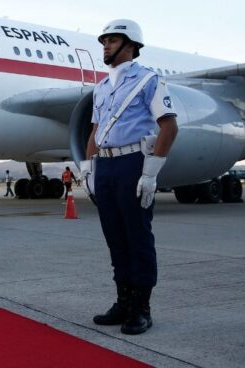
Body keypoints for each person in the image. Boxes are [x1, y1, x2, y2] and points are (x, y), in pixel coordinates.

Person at [80, 19, 178, 336]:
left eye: (111, 40)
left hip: (133, 163)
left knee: (138, 238)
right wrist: (87, 165)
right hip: (106, 166)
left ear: (130, 45)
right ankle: (123, 302)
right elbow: (95, 131)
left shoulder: (149, 81)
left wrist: (151, 173)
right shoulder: (101, 88)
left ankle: (142, 308)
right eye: (103, 41)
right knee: (115, 239)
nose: (105, 46)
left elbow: (168, 126)